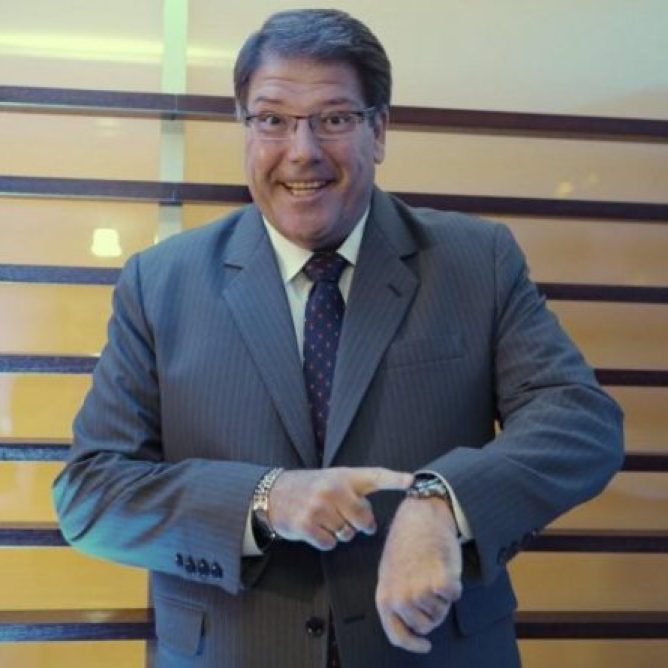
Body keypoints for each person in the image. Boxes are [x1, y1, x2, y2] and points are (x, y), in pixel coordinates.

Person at [53, 8, 623, 667]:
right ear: (245, 129)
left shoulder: (477, 262)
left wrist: (442, 501)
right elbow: (92, 493)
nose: (302, 150)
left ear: (378, 131)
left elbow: (579, 423)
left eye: (334, 119)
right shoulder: (160, 283)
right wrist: (265, 499)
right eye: (272, 120)